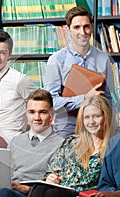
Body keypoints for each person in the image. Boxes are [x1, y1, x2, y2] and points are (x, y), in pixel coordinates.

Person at [43, 6, 114, 139]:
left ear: (92, 27)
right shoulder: (56, 60)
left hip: (96, 128)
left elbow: (109, 98)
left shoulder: (103, 58)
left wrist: (110, 127)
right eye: (77, 27)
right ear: (68, 29)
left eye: (86, 26)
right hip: (67, 129)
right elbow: (51, 101)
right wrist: (84, 98)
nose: (83, 32)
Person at [27, 95, 114, 197]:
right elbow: (53, 171)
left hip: (83, 195)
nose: (91, 122)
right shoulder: (71, 142)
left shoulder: (112, 148)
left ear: (106, 117)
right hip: (59, 190)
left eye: (96, 116)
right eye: (87, 117)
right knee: (40, 187)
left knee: (51, 194)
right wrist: (50, 178)